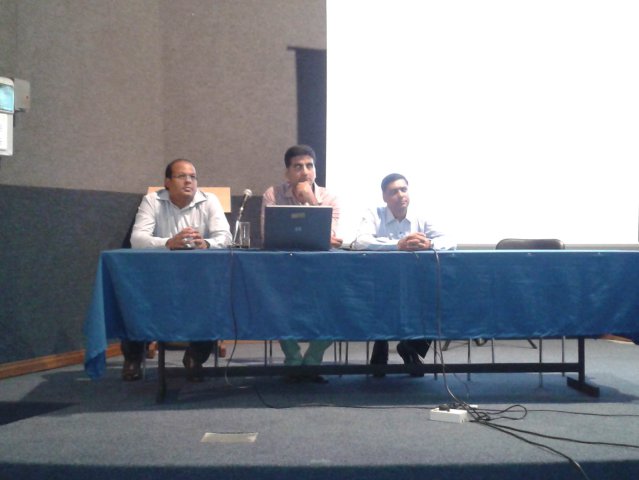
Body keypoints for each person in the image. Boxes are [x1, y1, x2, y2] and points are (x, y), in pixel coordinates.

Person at [123, 158, 232, 382]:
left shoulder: (209, 200)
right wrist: (168, 243)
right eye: (182, 176)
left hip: (200, 279)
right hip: (159, 278)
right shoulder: (152, 201)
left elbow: (225, 237)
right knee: (133, 296)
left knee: (214, 300)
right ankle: (133, 357)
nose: (189, 181)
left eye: (193, 177)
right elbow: (137, 239)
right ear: (167, 182)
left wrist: (206, 243)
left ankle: (195, 357)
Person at [353, 173, 456, 377]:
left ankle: (410, 346)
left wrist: (430, 243)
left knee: (436, 299)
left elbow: (450, 240)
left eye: (404, 189)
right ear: (384, 197)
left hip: (416, 284)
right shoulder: (374, 214)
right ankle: (381, 343)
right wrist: (397, 245)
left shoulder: (421, 216)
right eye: (394, 191)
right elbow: (360, 242)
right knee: (383, 299)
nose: (400, 195)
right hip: (380, 283)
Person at [261, 144, 342, 383]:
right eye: (298, 167)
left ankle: (313, 359)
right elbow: (268, 236)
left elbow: (329, 236)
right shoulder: (272, 195)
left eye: (309, 166)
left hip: (321, 269)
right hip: (284, 269)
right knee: (273, 302)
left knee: (339, 303)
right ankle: (293, 358)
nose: (305, 172)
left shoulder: (329, 198)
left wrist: (311, 200)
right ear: (287, 173)